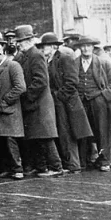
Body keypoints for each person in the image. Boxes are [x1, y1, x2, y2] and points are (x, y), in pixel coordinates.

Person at [13, 25, 64, 177]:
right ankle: (42, 167)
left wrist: (27, 96)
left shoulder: (35, 55)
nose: (18, 44)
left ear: (29, 40)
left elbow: (41, 81)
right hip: (34, 103)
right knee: (36, 137)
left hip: (39, 103)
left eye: (21, 41)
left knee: (45, 137)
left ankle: (56, 167)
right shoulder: (24, 56)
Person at [39, 33, 93, 174]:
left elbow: (72, 81)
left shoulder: (64, 58)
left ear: (53, 46)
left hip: (67, 103)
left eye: (45, 46)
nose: (43, 49)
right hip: (58, 103)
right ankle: (68, 164)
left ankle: (73, 165)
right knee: (62, 133)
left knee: (67, 133)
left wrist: (58, 96)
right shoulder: (48, 60)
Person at [0, 42, 26, 179]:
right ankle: (9, 168)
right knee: (4, 140)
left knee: (11, 140)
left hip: (10, 110)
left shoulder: (13, 65)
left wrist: (6, 101)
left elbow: (20, 87)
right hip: (2, 111)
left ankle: (18, 168)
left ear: (0, 53)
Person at [75, 35, 111, 171]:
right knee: (83, 131)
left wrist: (103, 96)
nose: (85, 49)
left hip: (98, 101)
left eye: (88, 46)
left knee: (102, 130)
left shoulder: (103, 63)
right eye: (83, 46)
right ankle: (85, 161)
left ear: (93, 48)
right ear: (80, 48)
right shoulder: (75, 62)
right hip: (81, 101)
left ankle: (105, 161)